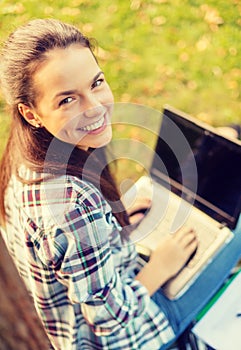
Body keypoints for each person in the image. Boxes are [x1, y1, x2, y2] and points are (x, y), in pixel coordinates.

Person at [0, 19, 240, 350]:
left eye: (96, 83)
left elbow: (66, 248)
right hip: (137, 332)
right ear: (31, 114)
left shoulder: (23, 161)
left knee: (214, 159)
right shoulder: (71, 206)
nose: (95, 107)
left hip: (92, 295)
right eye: (67, 100)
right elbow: (111, 320)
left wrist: (113, 221)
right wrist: (162, 265)